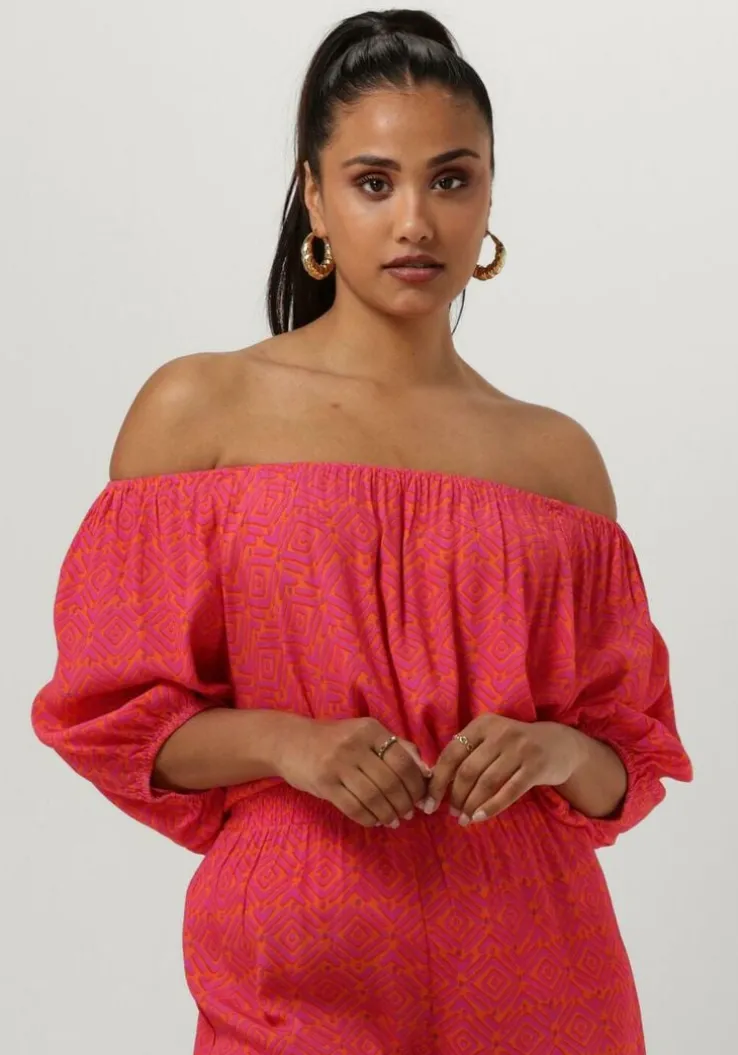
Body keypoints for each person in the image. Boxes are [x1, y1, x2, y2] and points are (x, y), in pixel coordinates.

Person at [31, 9, 693, 1054]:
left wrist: (550, 748)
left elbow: (628, 763)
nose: (415, 221)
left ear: (489, 197)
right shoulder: (201, 409)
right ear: (314, 196)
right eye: (374, 181)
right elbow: (113, 716)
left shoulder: (557, 460)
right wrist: (291, 742)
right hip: (296, 956)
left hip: (541, 967)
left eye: (451, 179)